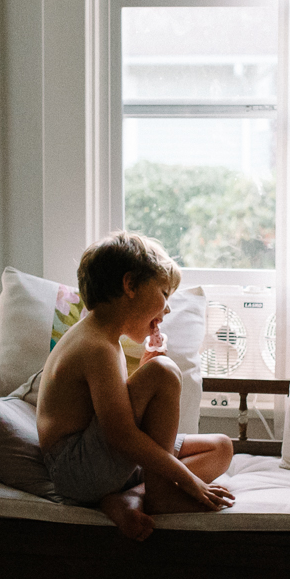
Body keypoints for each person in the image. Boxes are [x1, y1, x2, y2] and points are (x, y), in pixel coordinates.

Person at [34, 231, 235, 541]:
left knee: (220, 447)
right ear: (129, 285)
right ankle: (160, 496)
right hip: (78, 469)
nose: (167, 309)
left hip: (100, 460)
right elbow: (121, 435)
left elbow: (114, 413)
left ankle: (129, 496)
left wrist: (146, 365)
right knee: (165, 371)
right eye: (165, 294)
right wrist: (191, 482)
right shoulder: (95, 346)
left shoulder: (103, 338)